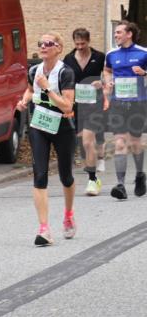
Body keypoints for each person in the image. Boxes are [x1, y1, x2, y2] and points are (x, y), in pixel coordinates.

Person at [16, 33, 76, 246]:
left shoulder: (65, 72)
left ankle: (68, 214)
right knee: (39, 174)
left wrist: (48, 88)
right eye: (40, 43)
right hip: (39, 125)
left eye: (48, 43)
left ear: (58, 48)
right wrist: (23, 101)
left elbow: (68, 106)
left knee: (66, 176)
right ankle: (44, 229)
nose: (43, 46)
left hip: (62, 127)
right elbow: (31, 90)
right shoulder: (34, 70)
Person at [103, 20, 147, 199]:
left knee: (135, 142)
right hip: (118, 103)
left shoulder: (143, 53)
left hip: (138, 103)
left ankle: (139, 175)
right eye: (115, 33)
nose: (116, 35)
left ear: (129, 34)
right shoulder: (112, 54)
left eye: (119, 32)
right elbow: (107, 70)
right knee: (120, 142)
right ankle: (120, 185)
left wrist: (144, 74)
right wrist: (108, 81)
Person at [63, 28, 107, 195]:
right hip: (76, 105)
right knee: (82, 142)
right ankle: (94, 164)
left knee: (89, 141)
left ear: (89, 41)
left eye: (83, 43)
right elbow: (64, 80)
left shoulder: (99, 57)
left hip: (94, 103)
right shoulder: (68, 58)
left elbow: (110, 75)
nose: (80, 47)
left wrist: (101, 81)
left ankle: (92, 180)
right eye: (77, 44)